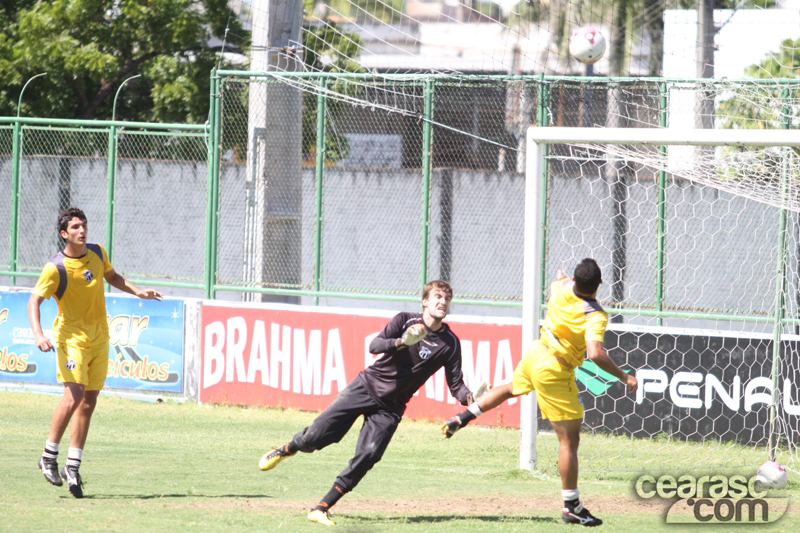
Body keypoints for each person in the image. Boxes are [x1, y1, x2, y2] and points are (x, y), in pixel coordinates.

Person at [258, 280, 476, 527]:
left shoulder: (450, 343)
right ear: (425, 301)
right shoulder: (405, 320)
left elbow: (456, 383)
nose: (442, 302)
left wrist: (468, 397)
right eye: (437, 297)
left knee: (369, 455)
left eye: (447, 298)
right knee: (316, 437)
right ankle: (287, 449)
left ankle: (321, 507)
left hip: (391, 407)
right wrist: (401, 342)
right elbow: (374, 345)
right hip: (365, 387)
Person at [441, 258, 638, 527]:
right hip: (555, 370)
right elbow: (595, 353)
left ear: (576, 281)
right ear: (600, 283)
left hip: (537, 352)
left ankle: (462, 417)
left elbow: (557, 279)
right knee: (569, 440)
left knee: (511, 388)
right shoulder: (595, 315)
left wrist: (563, 278)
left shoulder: (560, 287)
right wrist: (624, 376)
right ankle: (572, 506)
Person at [29, 207, 163, 498]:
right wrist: (39, 334)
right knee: (74, 394)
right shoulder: (56, 268)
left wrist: (138, 291)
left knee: (89, 401)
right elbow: (34, 300)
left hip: (99, 338)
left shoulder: (98, 252)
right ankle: (48, 457)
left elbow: (112, 277)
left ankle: (72, 466)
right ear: (64, 234)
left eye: (84, 225)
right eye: (75, 227)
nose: (82, 230)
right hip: (71, 338)